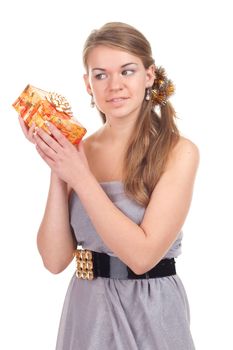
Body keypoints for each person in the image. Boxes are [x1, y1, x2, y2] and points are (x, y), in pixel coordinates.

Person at [19, 22, 199, 350]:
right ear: (88, 84)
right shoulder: (80, 152)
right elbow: (55, 260)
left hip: (152, 311)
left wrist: (80, 177)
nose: (113, 85)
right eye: (101, 75)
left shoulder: (178, 152)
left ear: (149, 76)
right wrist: (58, 162)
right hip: (87, 313)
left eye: (126, 72)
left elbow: (142, 257)